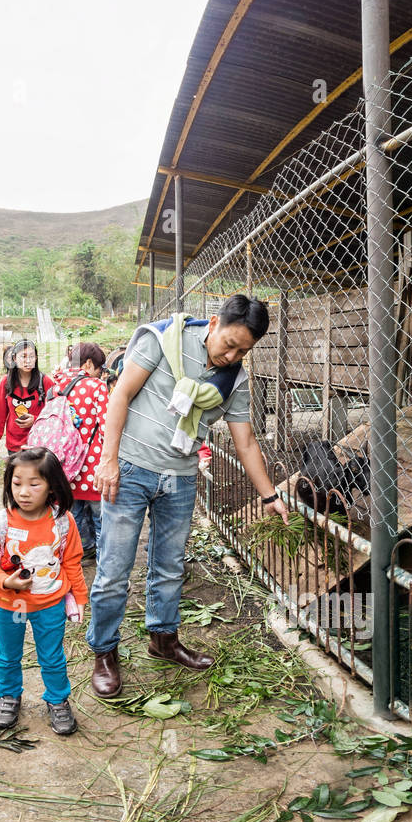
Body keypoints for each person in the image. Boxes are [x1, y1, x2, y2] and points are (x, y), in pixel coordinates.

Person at [87, 297, 288, 698]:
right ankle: (104, 652)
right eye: (228, 343)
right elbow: (120, 395)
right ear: (213, 322)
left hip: (179, 478)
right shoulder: (163, 340)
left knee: (169, 567)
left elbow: (245, 441)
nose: (232, 355)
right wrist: (108, 460)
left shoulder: (236, 380)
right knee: (113, 571)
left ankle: (163, 640)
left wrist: (269, 496)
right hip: (129, 469)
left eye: (243, 351)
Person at [0, 446, 84, 738]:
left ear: (51, 486)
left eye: (34, 484)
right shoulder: (0, 523)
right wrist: (4, 580)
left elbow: (72, 560)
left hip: (50, 605)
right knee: (8, 655)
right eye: (17, 483)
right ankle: (9, 695)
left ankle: (58, 700)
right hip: (10, 606)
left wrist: (80, 598)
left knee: (52, 655)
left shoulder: (62, 522)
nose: (24, 492)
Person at [50, 343, 112, 566]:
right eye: (99, 367)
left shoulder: (56, 384)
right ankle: (103, 556)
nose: (100, 372)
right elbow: (106, 428)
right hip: (92, 467)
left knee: (73, 513)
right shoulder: (96, 386)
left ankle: (83, 549)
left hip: (65, 467)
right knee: (100, 516)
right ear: (87, 364)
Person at [0, 340, 46, 454]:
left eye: (31, 356)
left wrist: (35, 419)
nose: (28, 361)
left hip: (38, 444)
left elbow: (54, 415)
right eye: (23, 356)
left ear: (36, 358)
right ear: (14, 358)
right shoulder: (6, 382)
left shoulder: (45, 382)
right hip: (14, 446)